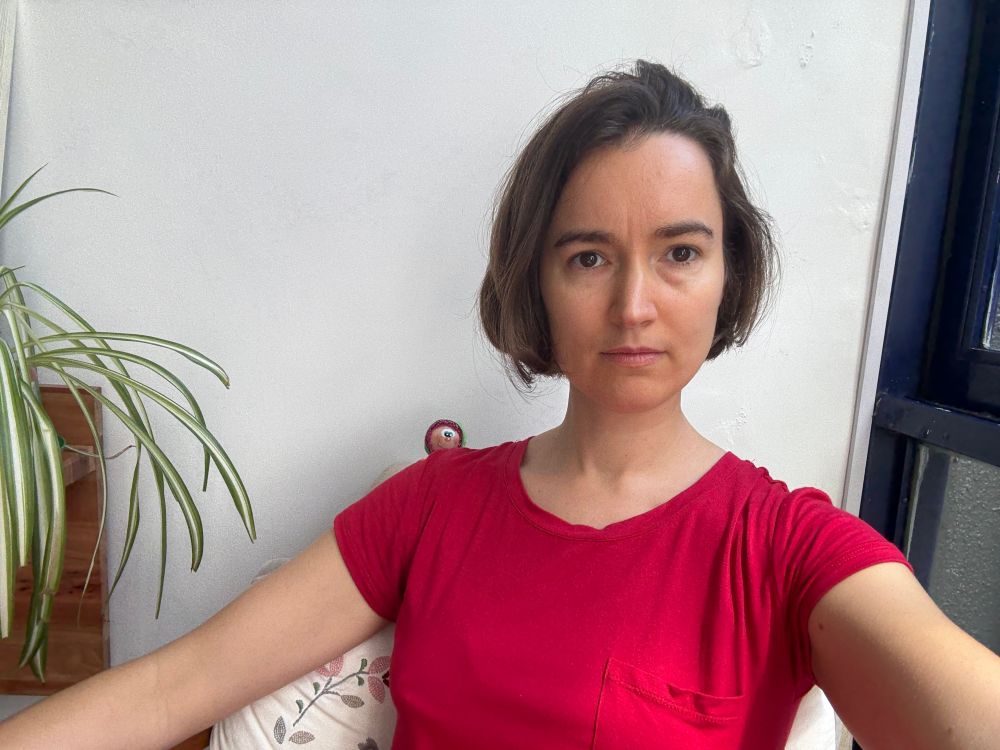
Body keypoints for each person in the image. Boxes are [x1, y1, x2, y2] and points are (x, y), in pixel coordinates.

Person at [2, 60, 999, 750]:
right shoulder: (430, 508)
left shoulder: (786, 549)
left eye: (680, 251)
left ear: (727, 272)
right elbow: (177, 686)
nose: (633, 304)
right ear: (536, 281)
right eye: (588, 257)